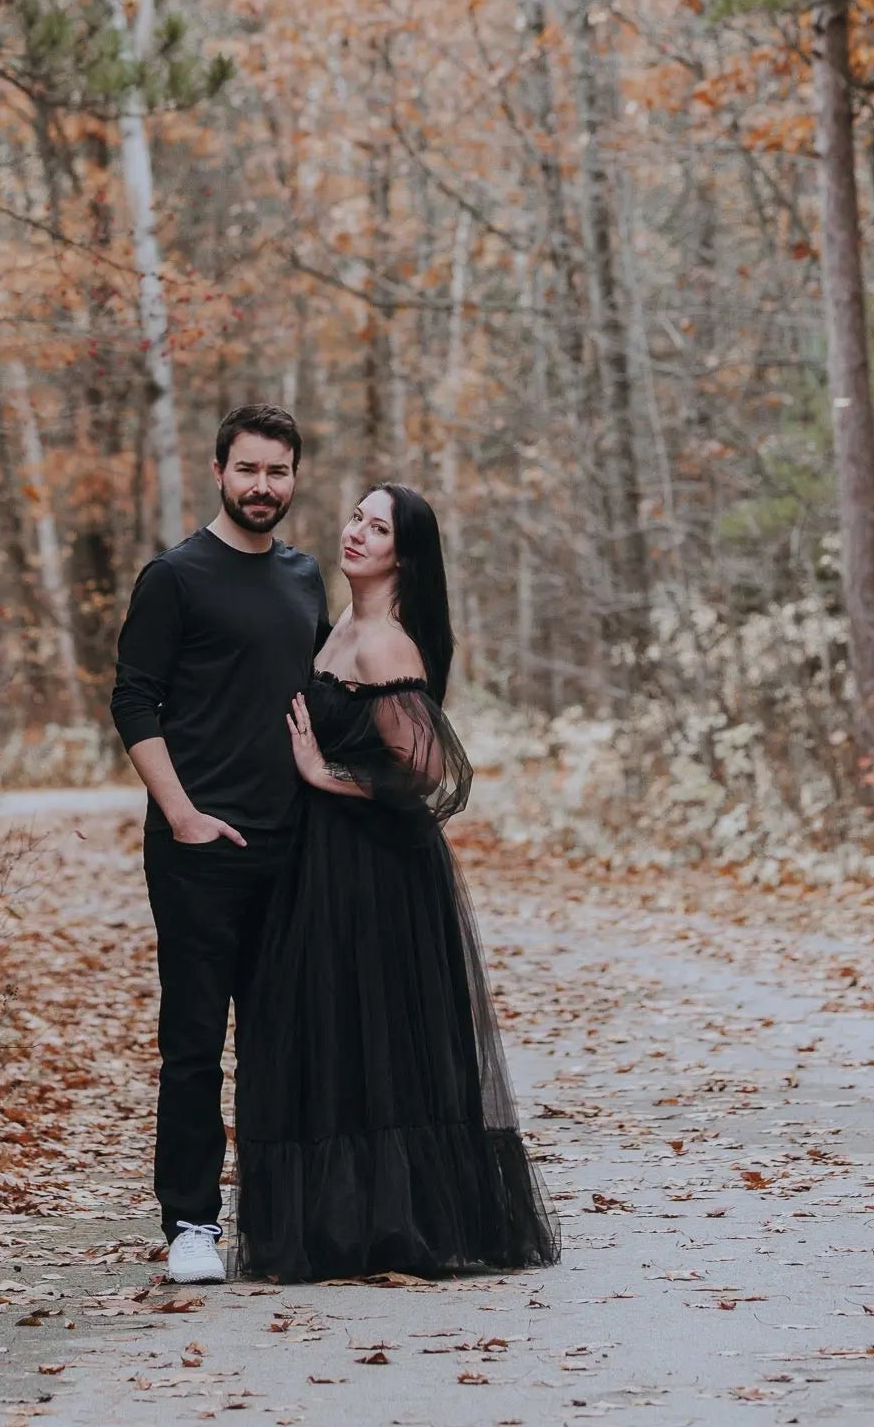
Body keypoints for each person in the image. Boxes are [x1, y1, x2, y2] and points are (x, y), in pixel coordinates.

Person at [234, 482, 561, 1282]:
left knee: (369, 1034)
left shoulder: (384, 644)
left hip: (375, 870)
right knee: (330, 1030)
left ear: (402, 557)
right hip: (323, 860)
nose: (355, 533)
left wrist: (324, 772)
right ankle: (339, 1226)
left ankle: (389, 1226)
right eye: (355, 517)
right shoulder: (339, 626)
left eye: (376, 528)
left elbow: (430, 773)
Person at [110, 404, 328, 1287]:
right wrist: (182, 814)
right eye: (248, 469)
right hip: (198, 849)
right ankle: (191, 1224)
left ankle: (275, 1221)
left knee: (280, 1043)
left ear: (294, 477)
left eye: (277, 471)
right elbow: (133, 700)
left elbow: (316, 700)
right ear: (218, 472)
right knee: (195, 1042)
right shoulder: (175, 577)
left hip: (292, 846)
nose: (262, 486)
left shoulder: (305, 577)